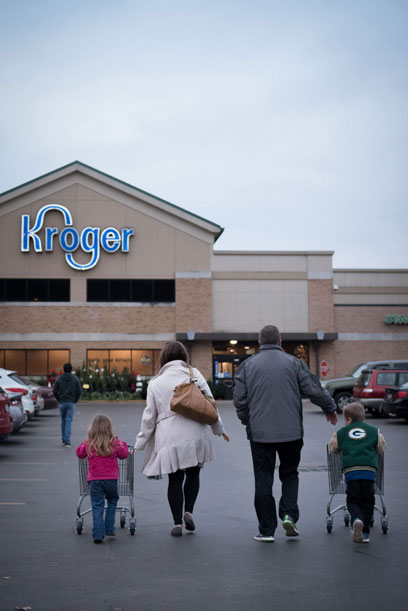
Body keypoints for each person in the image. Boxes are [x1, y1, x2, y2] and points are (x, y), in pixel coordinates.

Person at [233, 324, 337, 542]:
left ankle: (266, 530)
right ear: (280, 342)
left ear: (259, 343)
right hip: (291, 433)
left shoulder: (247, 366)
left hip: (260, 434)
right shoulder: (294, 363)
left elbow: (240, 400)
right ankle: (289, 515)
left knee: (263, 477)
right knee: (289, 474)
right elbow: (313, 389)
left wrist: (248, 421)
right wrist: (329, 407)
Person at [134, 341, 230, 537]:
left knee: (175, 479)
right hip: (196, 431)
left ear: (164, 358)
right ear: (184, 356)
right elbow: (209, 404)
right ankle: (189, 512)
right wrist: (218, 429)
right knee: (194, 473)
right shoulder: (193, 374)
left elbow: (149, 418)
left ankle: (177, 523)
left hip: (169, 436)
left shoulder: (155, 383)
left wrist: (140, 443)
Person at [328, 402, 386, 543]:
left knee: (353, 499)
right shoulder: (374, 431)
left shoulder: (341, 433)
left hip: (351, 472)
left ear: (349, 419)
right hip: (369, 472)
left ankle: (356, 519)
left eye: (344, 420)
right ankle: (365, 533)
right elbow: (380, 447)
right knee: (368, 501)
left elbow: (333, 448)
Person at [76, 414, 129, 544]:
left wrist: (85, 442)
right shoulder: (114, 442)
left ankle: (98, 535)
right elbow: (124, 454)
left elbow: (79, 453)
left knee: (97, 505)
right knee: (112, 500)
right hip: (111, 480)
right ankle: (109, 528)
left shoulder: (89, 443)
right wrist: (122, 444)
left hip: (95, 481)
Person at [53, 362, 82, 447]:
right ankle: (67, 440)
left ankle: (63, 438)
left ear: (64, 369)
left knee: (63, 421)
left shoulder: (59, 378)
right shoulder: (75, 379)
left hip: (62, 402)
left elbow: (54, 391)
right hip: (71, 402)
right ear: (71, 369)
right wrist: (75, 400)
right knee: (69, 421)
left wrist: (59, 399)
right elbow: (79, 391)